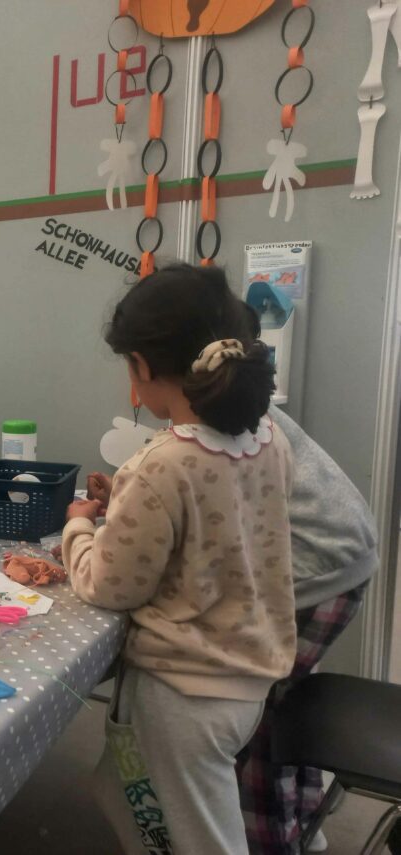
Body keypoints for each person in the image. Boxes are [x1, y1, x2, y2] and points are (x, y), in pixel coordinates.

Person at [63, 263, 297, 855]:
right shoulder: (270, 440)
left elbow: (109, 585)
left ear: (141, 368)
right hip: (245, 678)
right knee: (122, 789)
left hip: (184, 695)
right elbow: (215, 533)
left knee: (202, 839)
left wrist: (79, 527)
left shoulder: (160, 464)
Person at [233, 308, 378, 855]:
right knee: (288, 698)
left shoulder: (221, 423)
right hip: (337, 556)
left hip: (322, 567)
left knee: (258, 712)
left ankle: (273, 840)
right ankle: (304, 818)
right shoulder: (242, 404)